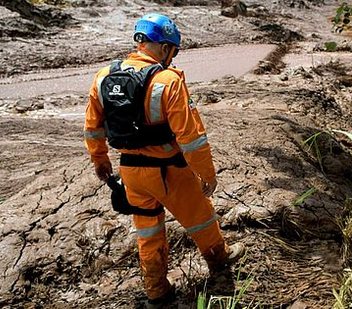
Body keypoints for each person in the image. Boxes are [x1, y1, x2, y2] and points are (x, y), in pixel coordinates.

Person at [83, 13, 244, 307]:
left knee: (147, 231)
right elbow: (191, 138)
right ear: (165, 46)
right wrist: (207, 174)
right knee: (201, 218)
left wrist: (100, 161)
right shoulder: (168, 81)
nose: (173, 57)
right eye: (174, 50)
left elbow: (93, 126)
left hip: (130, 171)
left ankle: (157, 290)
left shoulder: (104, 76)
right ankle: (219, 259)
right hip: (170, 171)